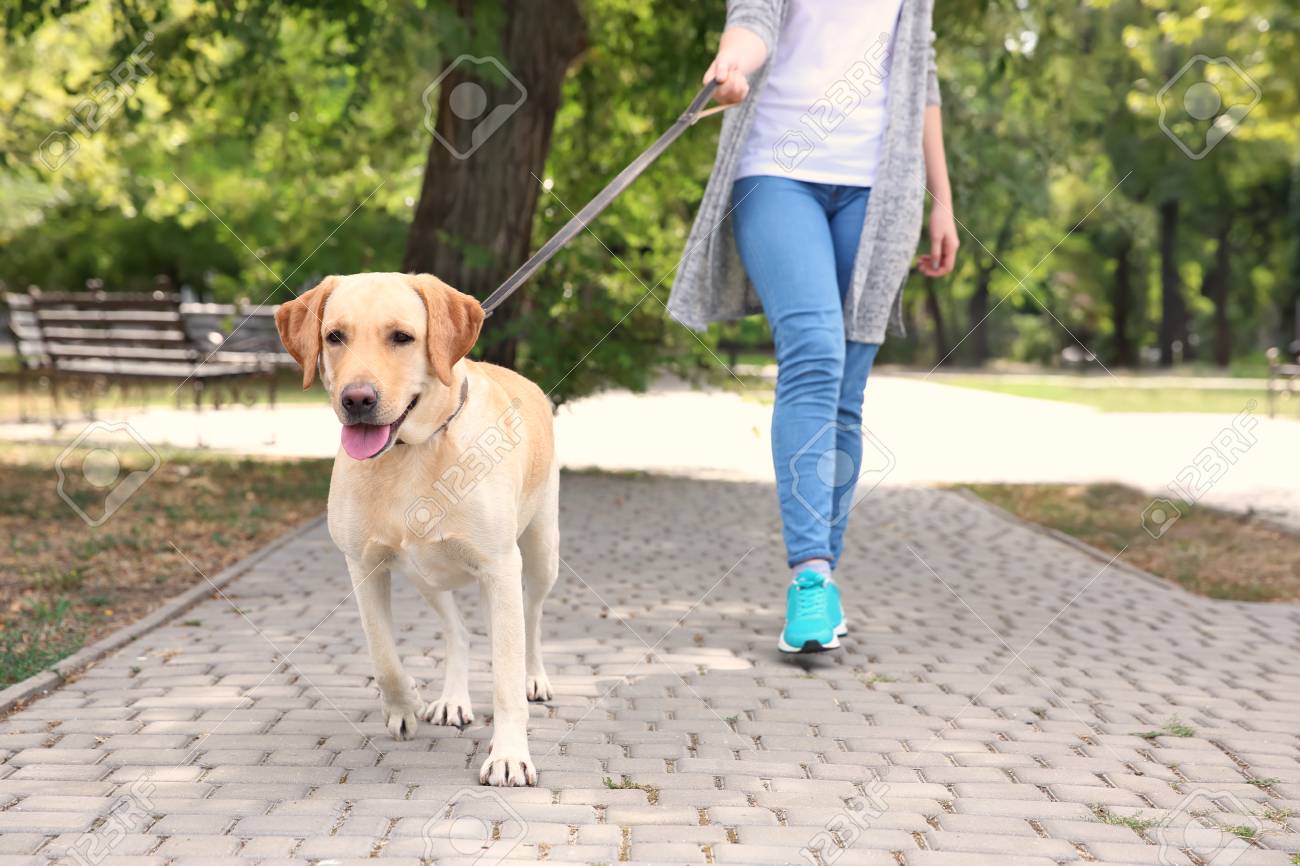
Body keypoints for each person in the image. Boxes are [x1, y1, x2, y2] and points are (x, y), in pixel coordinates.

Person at [667, 0, 958, 653]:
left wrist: (942, 199)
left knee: (847, 392)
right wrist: (732, 64)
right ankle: (809, 577)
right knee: (815, 354)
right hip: (777, 170)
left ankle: (825, 577)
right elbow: (754, 18)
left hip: (881, 189)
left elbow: (921, 70)